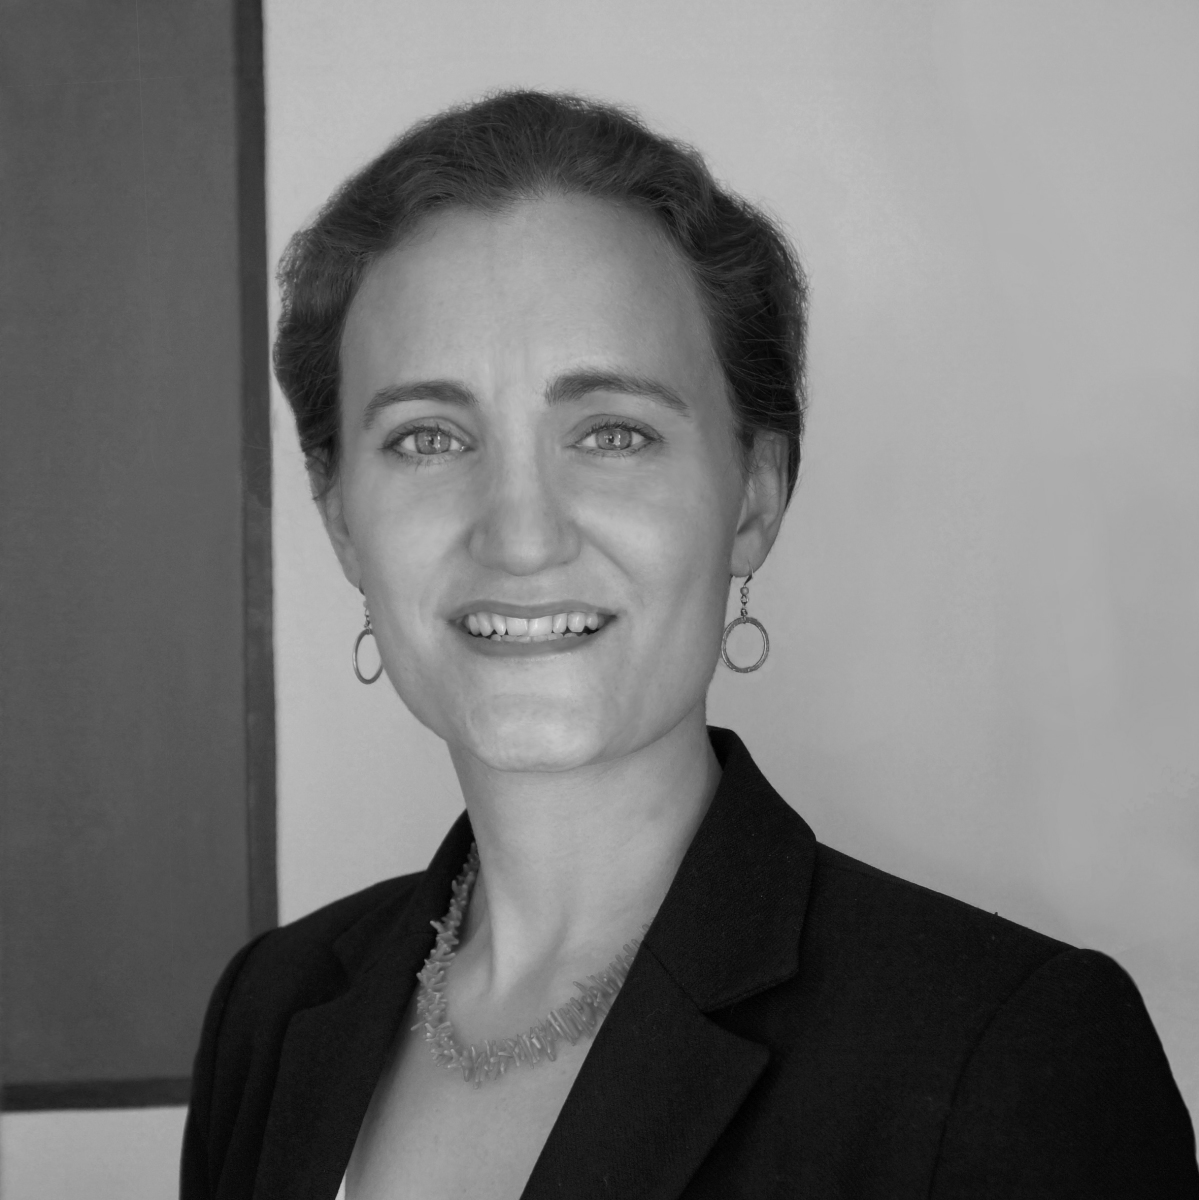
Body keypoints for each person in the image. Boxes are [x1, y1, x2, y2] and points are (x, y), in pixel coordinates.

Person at [180, 90, 1198, 1199]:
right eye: (427, 437)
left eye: (612, 433)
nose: (520, 535)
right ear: (339, 515)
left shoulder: (1008, 1057)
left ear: (753, 495)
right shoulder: (270, 1012)